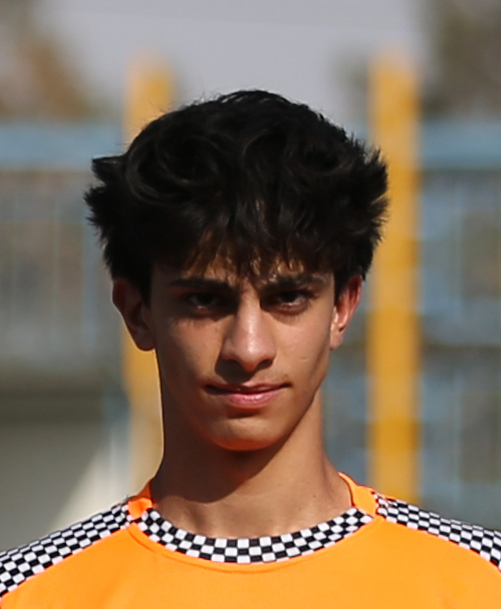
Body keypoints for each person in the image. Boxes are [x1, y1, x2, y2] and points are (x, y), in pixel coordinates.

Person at [1, 90, 500, 608]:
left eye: (288, 298)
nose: (248, 348)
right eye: (204, 300)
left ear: (343, 306)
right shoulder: (27, 592)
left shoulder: (481, 582)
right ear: (137, 310)